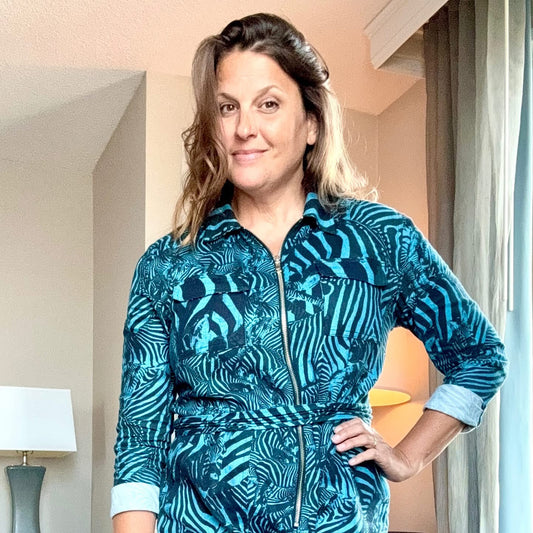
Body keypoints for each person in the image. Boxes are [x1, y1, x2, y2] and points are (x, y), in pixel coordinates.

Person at [111, 13, 507, 533]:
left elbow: (480, 355)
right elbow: (139, 442)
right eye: (227, 107)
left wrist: (410, 457)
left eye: (268, 104)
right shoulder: (167, 264)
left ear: (312, 123)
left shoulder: (380, 239)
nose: (243, 128)